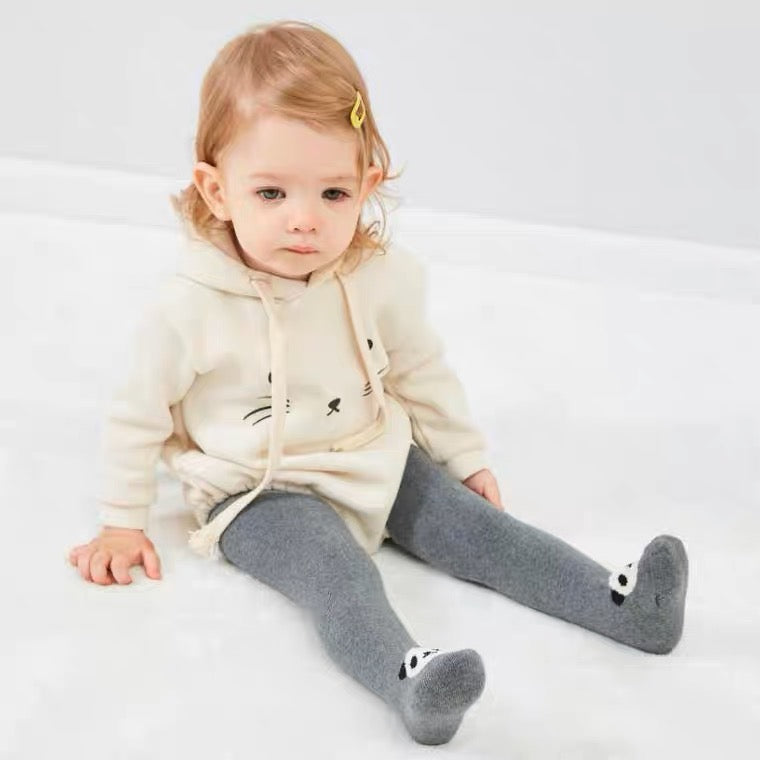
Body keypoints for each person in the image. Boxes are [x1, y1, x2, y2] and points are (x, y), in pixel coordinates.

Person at [66, 19, 689, 746]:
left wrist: (463, 458)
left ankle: (628, 608)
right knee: (334, 573)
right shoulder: (189, 309)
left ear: (366, 184)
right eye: (271, 193)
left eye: (333, 193)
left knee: (484, 533)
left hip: (374, 454)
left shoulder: (377, 277)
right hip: (259, 492)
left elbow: (421, 369)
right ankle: (411, 681)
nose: (304, 221)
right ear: (217, 190)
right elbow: (137, 414)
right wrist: (122, 520)